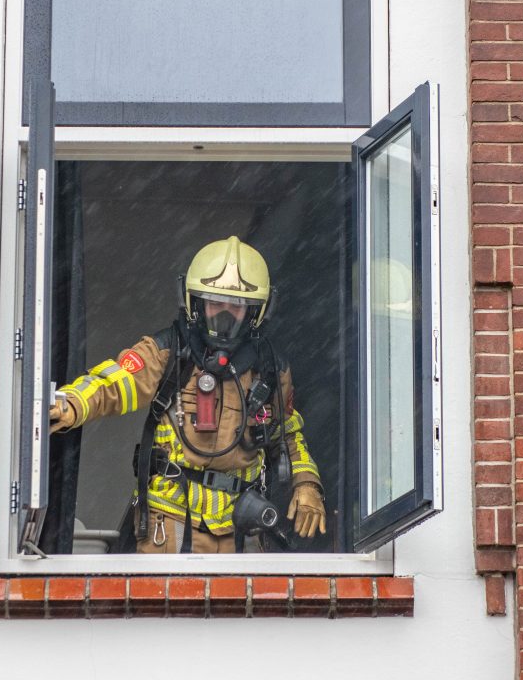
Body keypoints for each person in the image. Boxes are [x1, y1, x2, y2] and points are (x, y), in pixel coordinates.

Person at [48, 236, 326, 553]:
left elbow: (288, 432)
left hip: (241, 527)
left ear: (255, 312)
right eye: (214, 302)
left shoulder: (271, 369)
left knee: (242, 603)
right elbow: (114, 381)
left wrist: (306, 483)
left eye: (235, 306)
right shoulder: (168, 353)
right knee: (166, 602)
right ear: (194, 303)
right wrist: (71, 403)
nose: (224, 314)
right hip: (170, 523)